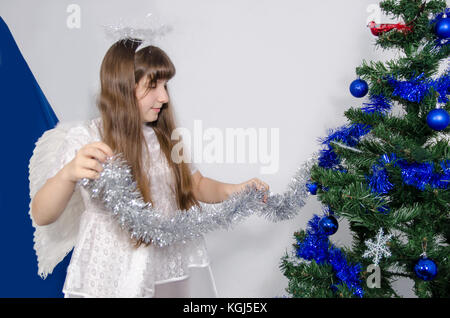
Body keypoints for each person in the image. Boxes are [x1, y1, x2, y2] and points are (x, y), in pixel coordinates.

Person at [28, 38, 269, 298]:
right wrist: (68, 174)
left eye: (165, 86)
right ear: (122, 87)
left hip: (164, 266)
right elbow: (42, 215)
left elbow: (197, 185)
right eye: (153, 86)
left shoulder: (165, 139)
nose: (164, 97)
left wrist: (235, 190)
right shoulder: (88, 139)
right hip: (112, 272)